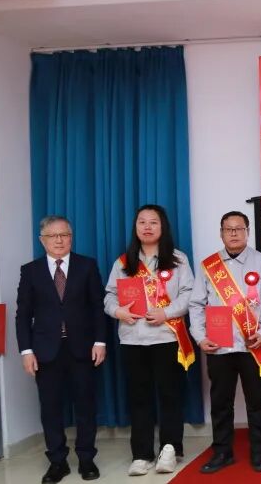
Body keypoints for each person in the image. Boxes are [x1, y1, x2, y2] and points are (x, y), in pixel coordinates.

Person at [103, 204, 196, 476]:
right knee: (139, 397)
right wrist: (118, 311)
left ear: (162, 227)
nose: (147, 227)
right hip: (133, 339)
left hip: (167, 337)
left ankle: (170, 449)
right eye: (142, 222)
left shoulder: (178, 259)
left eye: (153, 222)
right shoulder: (123, 262)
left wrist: (166, 312)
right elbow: (109, 296)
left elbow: (189, 294)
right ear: (135, 228)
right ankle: (142, 454)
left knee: (170, 395)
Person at [16, 215, 107, 483]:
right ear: (42, 240)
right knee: (50, 408)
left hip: (83, 348)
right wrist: (26, 351)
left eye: (64, 235)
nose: (59, 240)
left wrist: (100, 342)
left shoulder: (87, 266)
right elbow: (23, 315)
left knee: (86, 405)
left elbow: (98, 307)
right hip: (45, 351)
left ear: (71, 237)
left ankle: (87, 459)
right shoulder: (30, 271)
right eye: (52, 236)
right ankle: (57, 462)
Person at [189, 211, 261, 473]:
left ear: (248, 232)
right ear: (221, 233)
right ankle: (222, 452)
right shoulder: (209, 265)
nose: (234, 233)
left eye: (239, 228)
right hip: (219, 347)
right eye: (229, 229)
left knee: (257, 402)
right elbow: (196, 304)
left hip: (253, 346)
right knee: (221, 403)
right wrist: (200, 337)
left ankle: (259, 452)